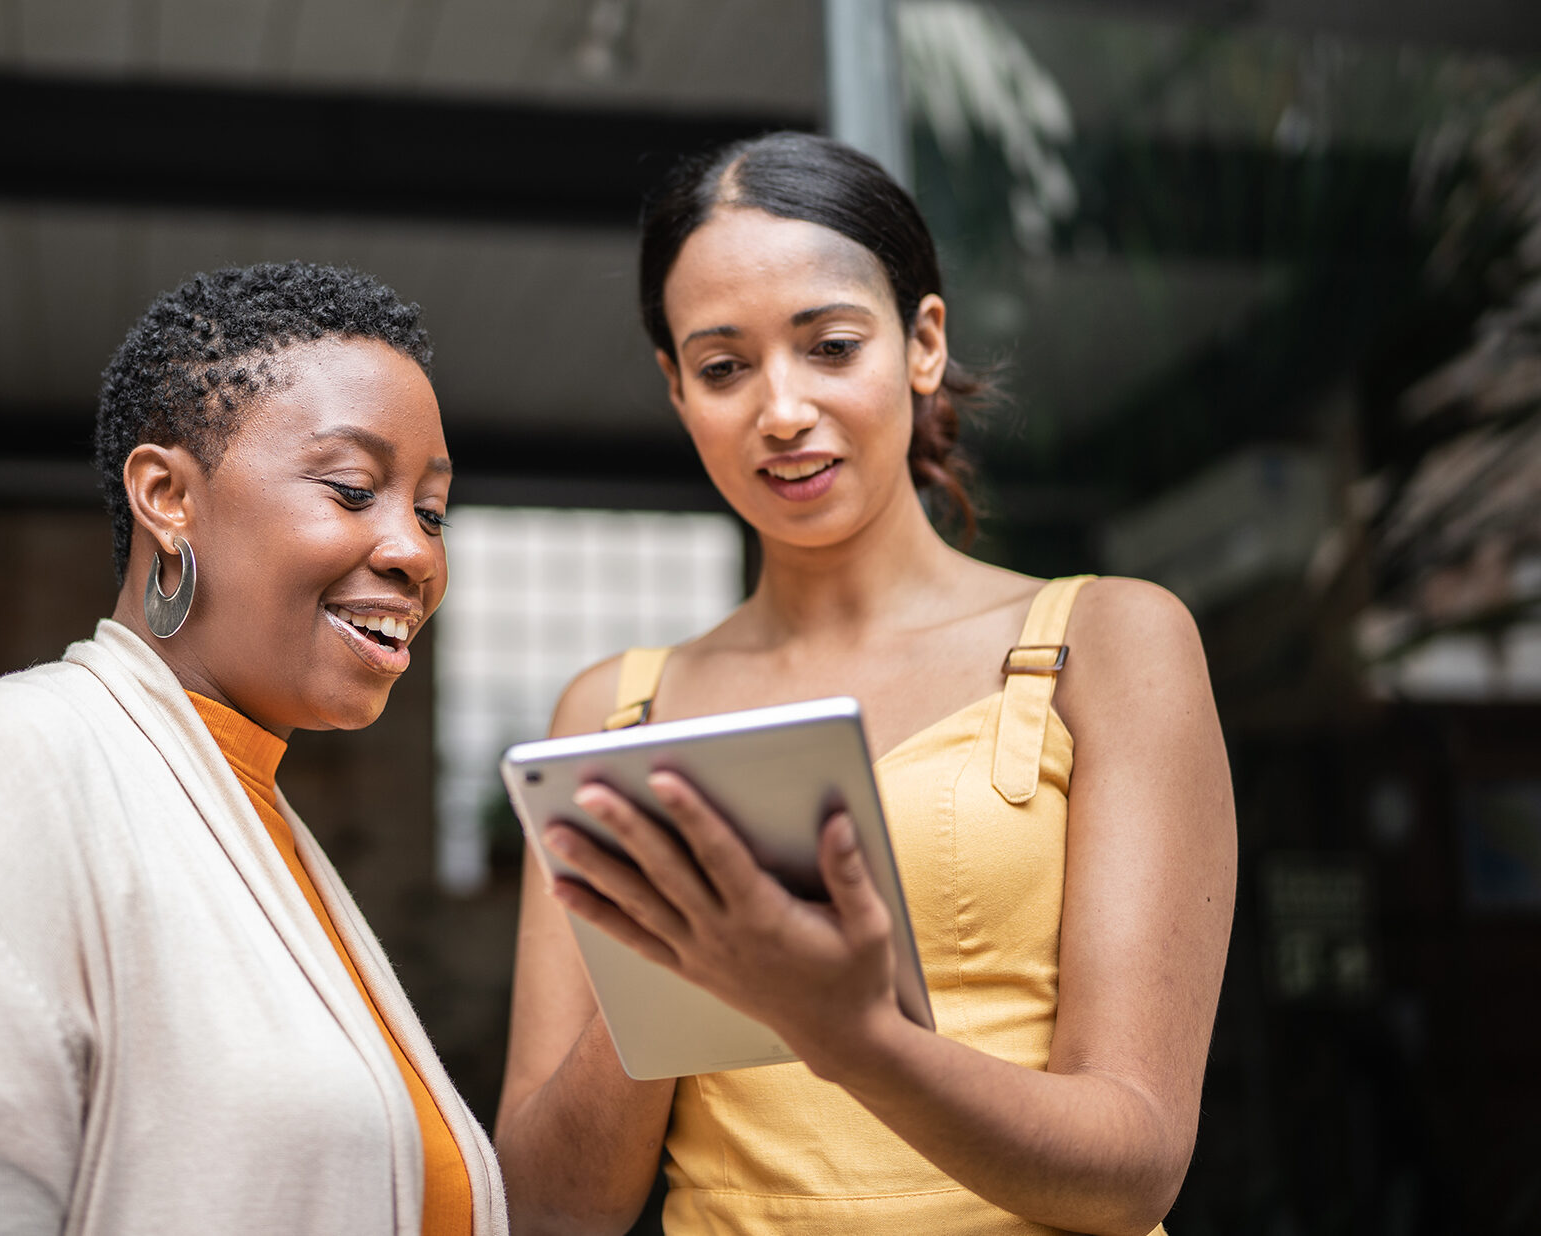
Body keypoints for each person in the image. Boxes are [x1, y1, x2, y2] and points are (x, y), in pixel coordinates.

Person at [494, 133, 1236, 1236]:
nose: (780, 410)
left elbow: (1135, 1165)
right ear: (676, 389)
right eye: (724, 367)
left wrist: (855, 1036)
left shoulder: (1110, 645)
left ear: (922, 343)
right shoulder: (612, 714)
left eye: (830, 346)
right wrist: (675, 964)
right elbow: (549, 1213)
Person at [0, 262, 507, 1235]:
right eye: (355, 488)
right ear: (167, 496)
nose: (417, 552)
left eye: (433, 509)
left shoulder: (258, 830)